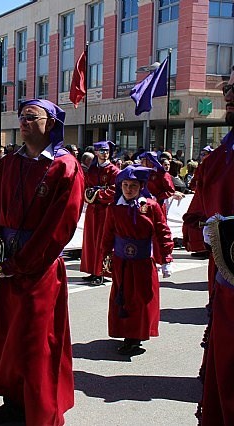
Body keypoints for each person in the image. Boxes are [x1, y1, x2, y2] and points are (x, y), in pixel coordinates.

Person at [0, 99, 84, 425]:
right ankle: (14, 402)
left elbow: (57, 229)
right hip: (6, 265)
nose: (23, 122)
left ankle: (40, 409)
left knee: (37, 342)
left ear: (49, 123)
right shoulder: (9, 163)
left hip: (39, 270)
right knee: (8, 337)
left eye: (30, 117)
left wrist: (22, 263)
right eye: (20, 116)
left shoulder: (66, 167)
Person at [184, 66, 234, 424]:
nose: (228, 94)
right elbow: (197, 212)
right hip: (225, 286)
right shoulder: (217, 159)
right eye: (228, 86)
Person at [101, 165, 173, 356]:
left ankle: (135, 337)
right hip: (121, 262)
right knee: (122, 297)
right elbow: (107, 234)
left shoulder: (151, 206)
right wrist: (105, 255)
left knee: (141, 298)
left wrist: (166, 258)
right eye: (125, 184)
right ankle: (125, 333)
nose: (128, 189)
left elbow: (162, 231)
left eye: (133, 185)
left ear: (141, 186)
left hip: (142, 262)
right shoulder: (114, 208)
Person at [80, 141, 120, 285]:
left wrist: (97, 194)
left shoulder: (114, 171)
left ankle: (101, 271)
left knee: (102, 240)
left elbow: (116, 190)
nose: (104, 153)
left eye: (106, 151)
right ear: (96, 153)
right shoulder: (92, 170)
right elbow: (86, 185)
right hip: (92, 210)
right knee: (90, 240)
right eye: (101, 151)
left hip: (105, 210)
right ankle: (92, 269)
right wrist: (88, 193)